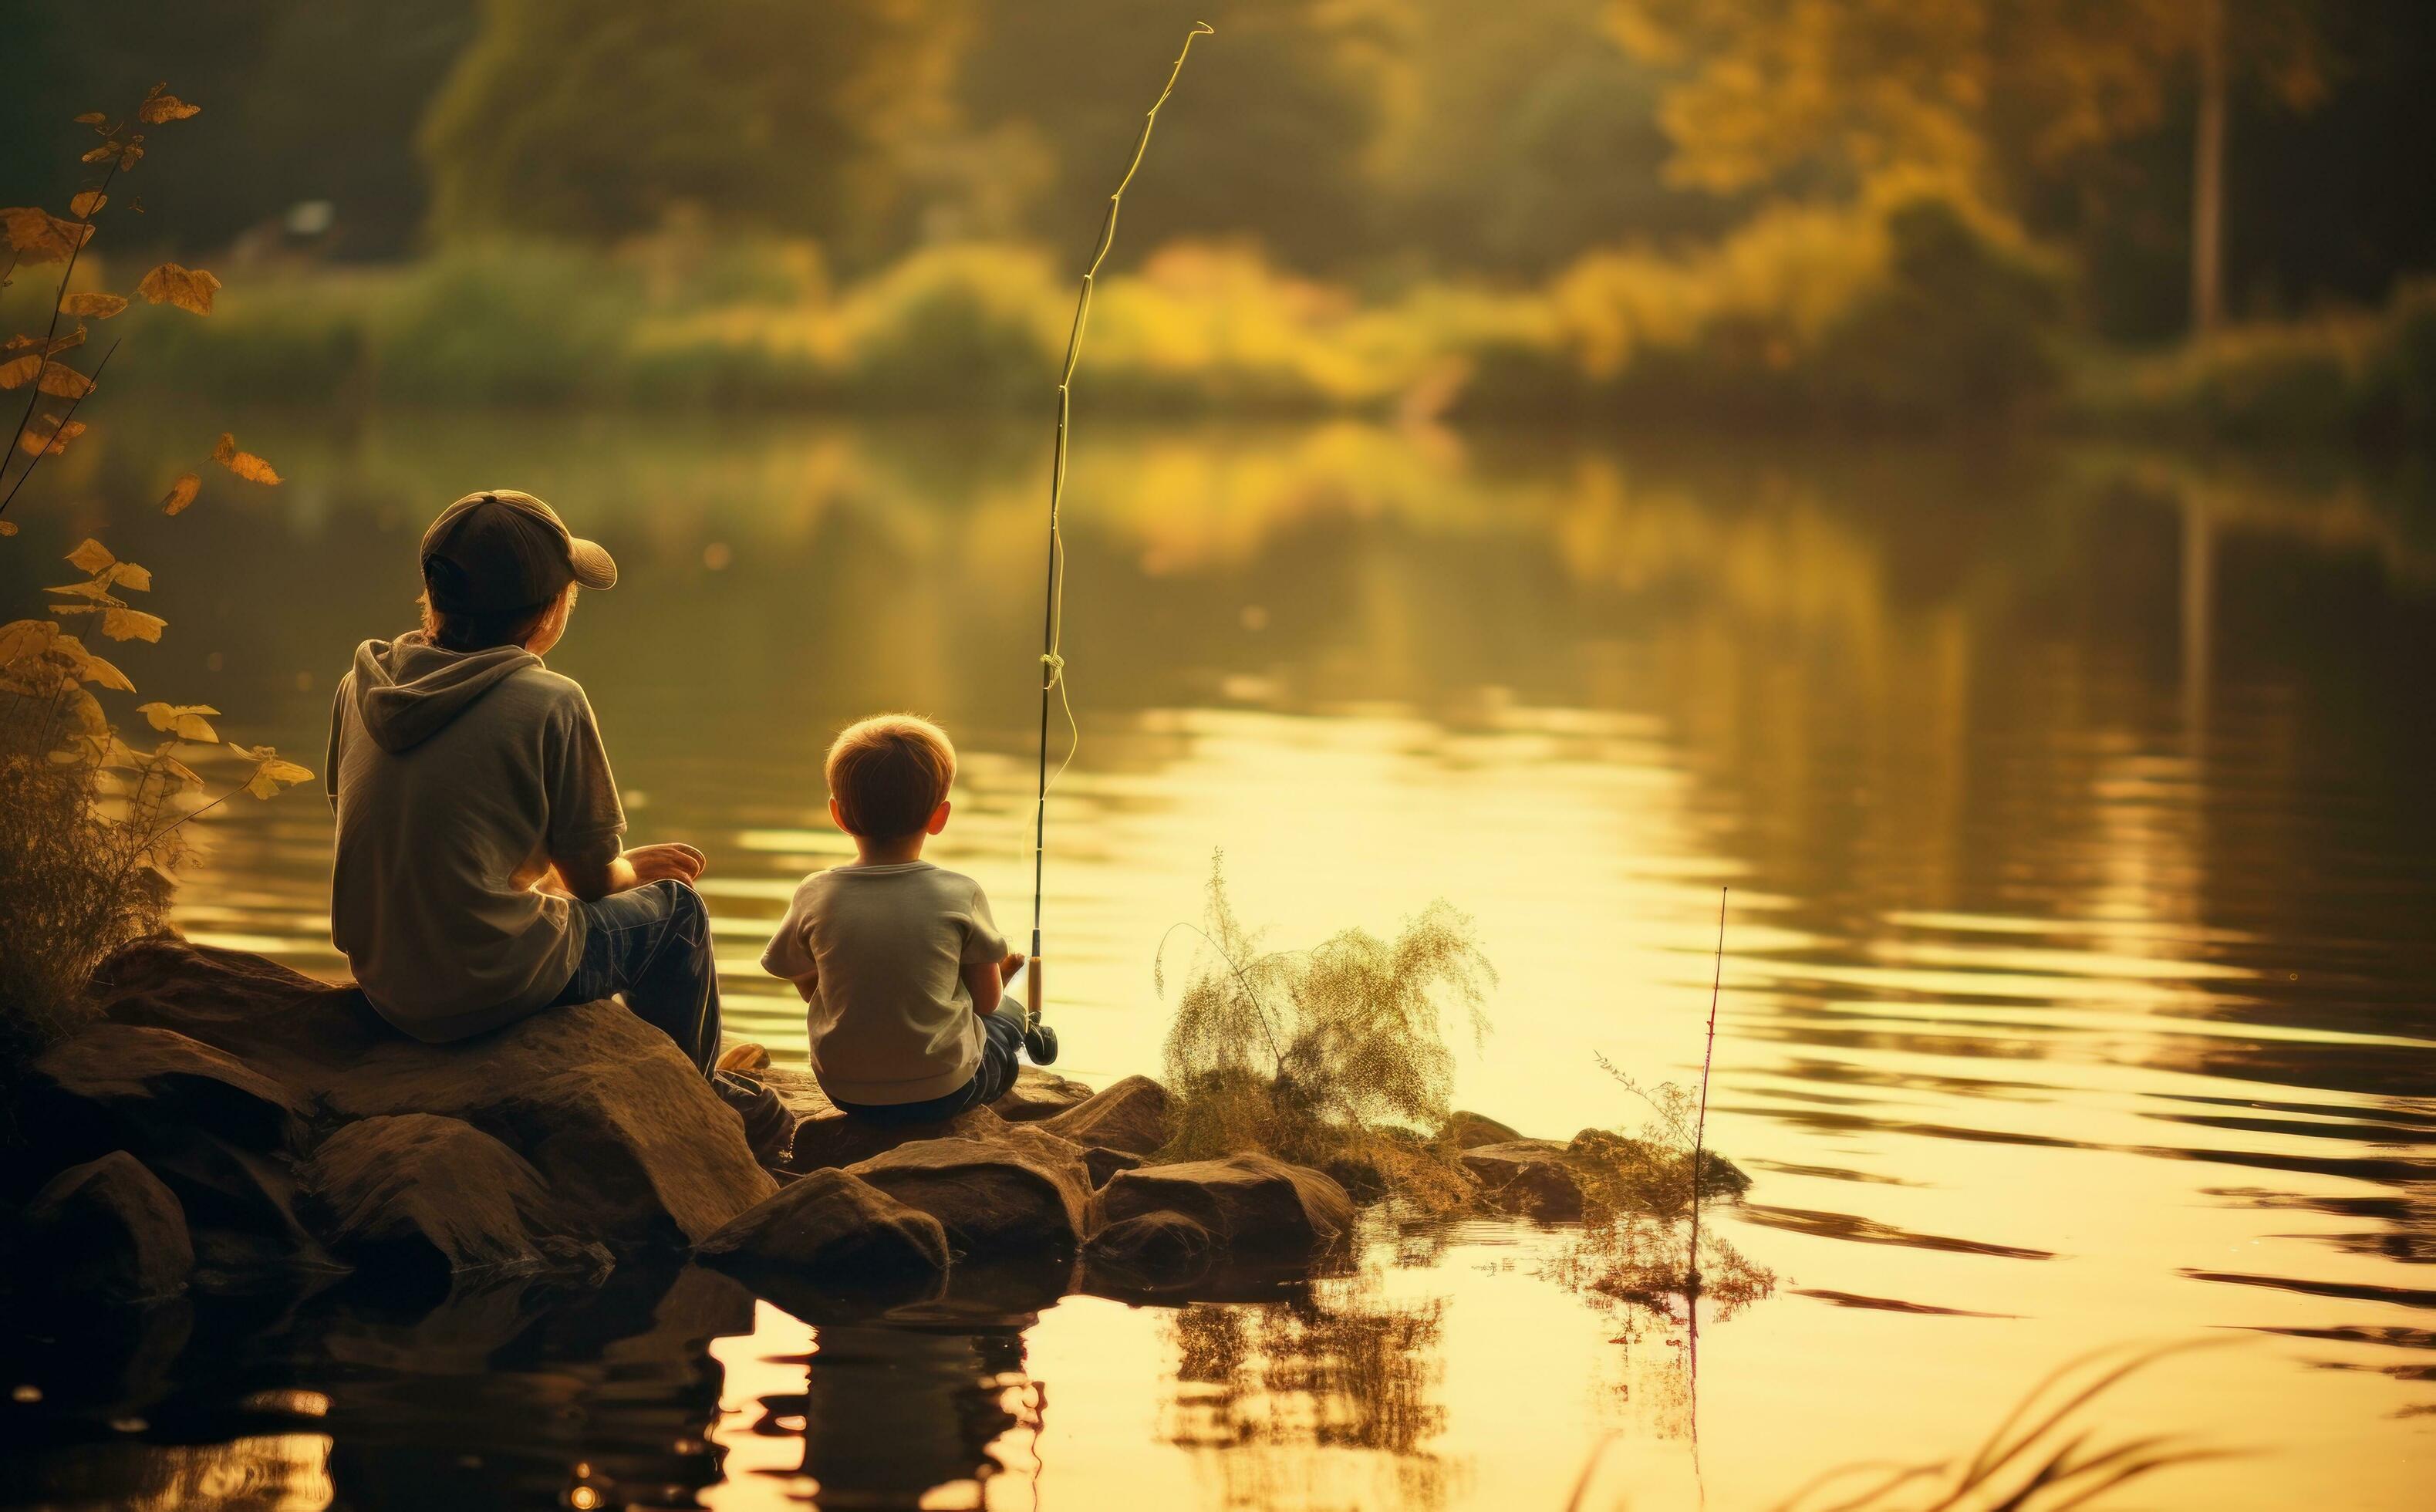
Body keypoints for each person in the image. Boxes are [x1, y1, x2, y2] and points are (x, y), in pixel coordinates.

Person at [324, 488, 791, 1162]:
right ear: (549, 612)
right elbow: (596, 883)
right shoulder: (549, 700)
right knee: (677, 913)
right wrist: (639, 868)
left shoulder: (361, 685)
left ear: (434, 595)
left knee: (558, 903)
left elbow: (383, 829)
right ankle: (695, 1096)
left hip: (385, 982)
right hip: (483, 984)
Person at [759, 714, 1054, 1124]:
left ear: (838, 815)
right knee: (1008, 1017)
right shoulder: (960, 892)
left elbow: (808, 986)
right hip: (945, 1092)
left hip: (846, 1090)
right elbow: (985, 1003)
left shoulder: (814, 893)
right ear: (940, 817)